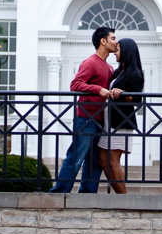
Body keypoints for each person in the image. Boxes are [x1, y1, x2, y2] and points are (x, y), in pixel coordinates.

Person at [48, 25, 121, 193]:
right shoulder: (90, 62)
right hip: (86, 118)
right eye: (113, 38)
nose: (116, 42)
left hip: (101, 119)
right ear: (103, 41)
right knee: (76, 156)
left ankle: (88, 193)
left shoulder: (108, 67)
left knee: (94, 160)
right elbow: (75, 84)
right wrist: (98, 89)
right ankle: (60, 192)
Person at [97, 37, 144, 194]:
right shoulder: (118, 71)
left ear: (127, 52)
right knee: (103, 160)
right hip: (108, 121)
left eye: (117, 50)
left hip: (121, 122)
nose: (114, 53)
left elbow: (137, 100)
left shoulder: (135, 73)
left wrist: (123, 94)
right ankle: (121, 196)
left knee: (113, 161)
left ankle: (124, 198)